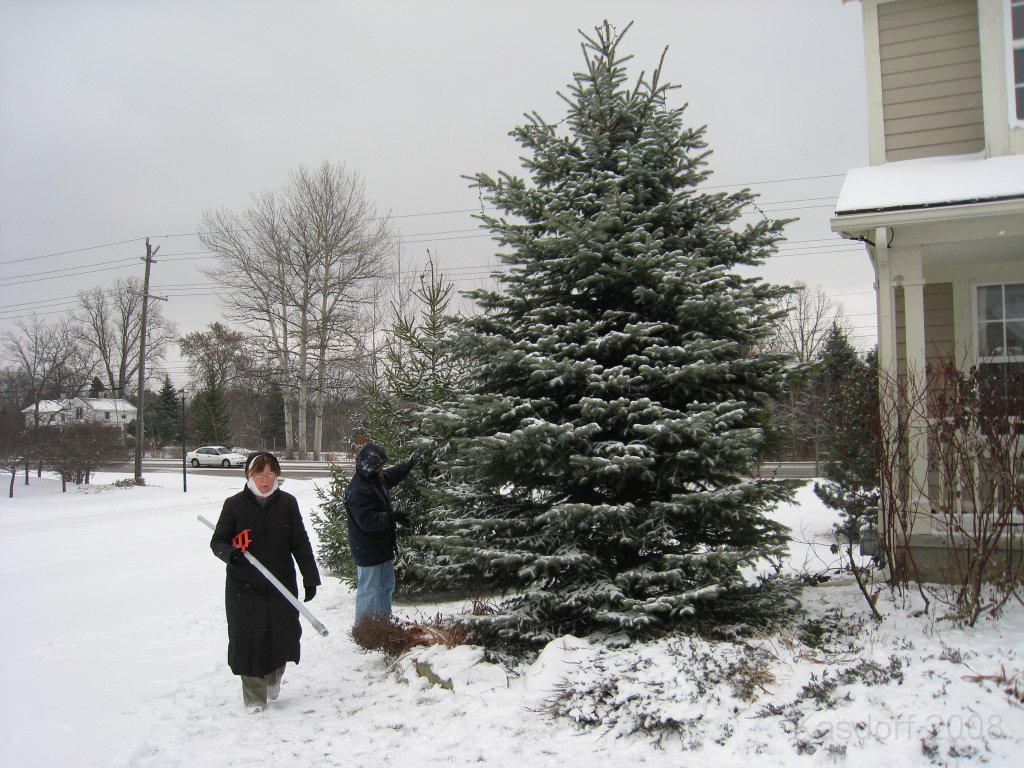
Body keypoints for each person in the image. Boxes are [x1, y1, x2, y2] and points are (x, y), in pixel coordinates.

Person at [210, 451, 321, 714]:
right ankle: (254, 697)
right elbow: (217, 541)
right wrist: (232, 554)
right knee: (249, 639)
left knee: (282, 636)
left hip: (280, 586)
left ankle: (273, 677)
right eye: (260, 473)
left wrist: (310, 576)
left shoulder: (287, 504)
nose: (265, 479)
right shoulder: (234, 505)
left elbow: (300, 542)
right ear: (249, 475)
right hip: (244, 589)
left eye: (271, 473)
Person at [345, 443, 420, 626]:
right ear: (367, 466)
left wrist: (408, 465)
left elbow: (391, 475)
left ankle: (383, 623)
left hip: (383, 548)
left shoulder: (375, 479)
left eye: (381, 466)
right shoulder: (358, 490)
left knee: (386, 587)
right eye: (378, 467)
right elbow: (368, 521)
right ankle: (365, 629)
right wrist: (393, 517)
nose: (381, 470)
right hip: (368, 551)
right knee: (369, 590)